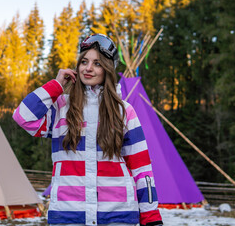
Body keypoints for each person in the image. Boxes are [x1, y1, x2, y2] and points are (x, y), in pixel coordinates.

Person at [13, 34, 163, 226]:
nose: (88, 68)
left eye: (97, 63)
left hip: (117, 215)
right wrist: (57, 85)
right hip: (68, 214)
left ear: (108, 69)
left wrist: (151, 217)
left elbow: (142, 170)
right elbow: (23, 117)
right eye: (84, 61)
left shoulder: (124, 111)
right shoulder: (61, 108)